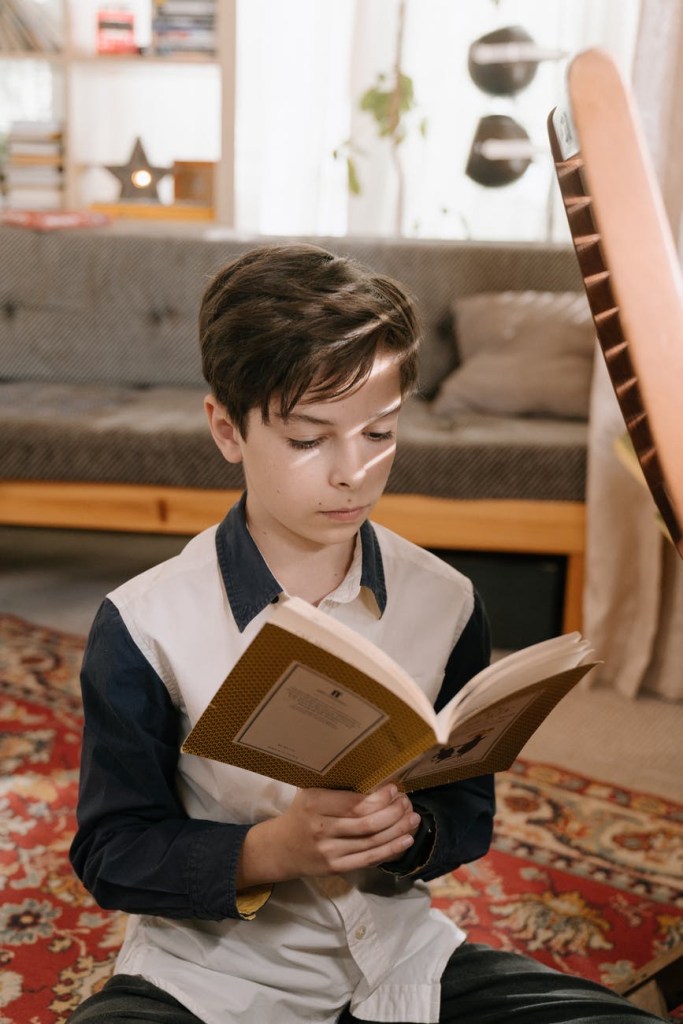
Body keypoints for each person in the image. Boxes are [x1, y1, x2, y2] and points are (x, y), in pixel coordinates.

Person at [68, 243, 666, 1024]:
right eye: (309, 439)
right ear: (226, 429)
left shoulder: (445, 600)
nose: (353, 472)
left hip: (403, 958)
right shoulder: (144, 625)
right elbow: (112, 852)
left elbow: (466, 811)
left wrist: (414, 831)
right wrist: (271, 851)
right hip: (207, 979)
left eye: (379, 433)